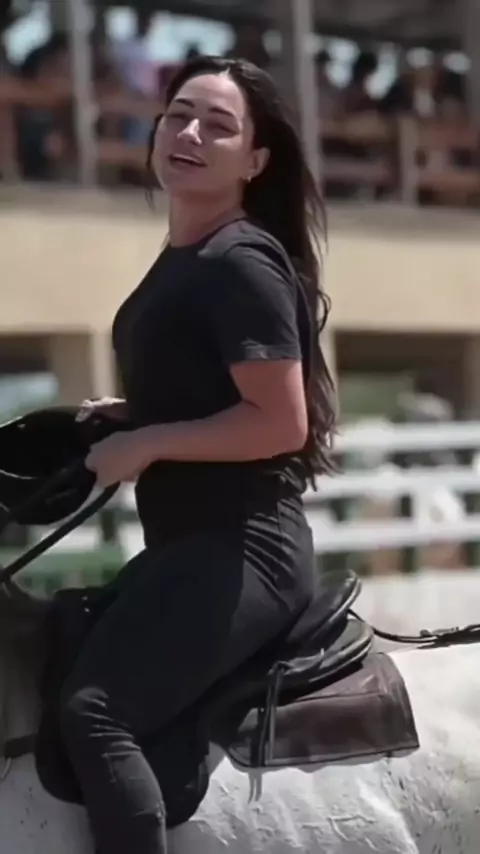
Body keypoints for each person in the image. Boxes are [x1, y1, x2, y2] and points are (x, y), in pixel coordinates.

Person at [60, 54, 336, 854]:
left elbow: (279, 424)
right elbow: (213, 393)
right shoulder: (190, 253)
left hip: (245, 549)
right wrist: (131, 415)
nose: (188, 134)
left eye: (217, 126)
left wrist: (149, 441)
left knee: (96, 712)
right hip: (190, 544)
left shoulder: (239, 262)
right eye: (178, 115)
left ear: (254, 161)